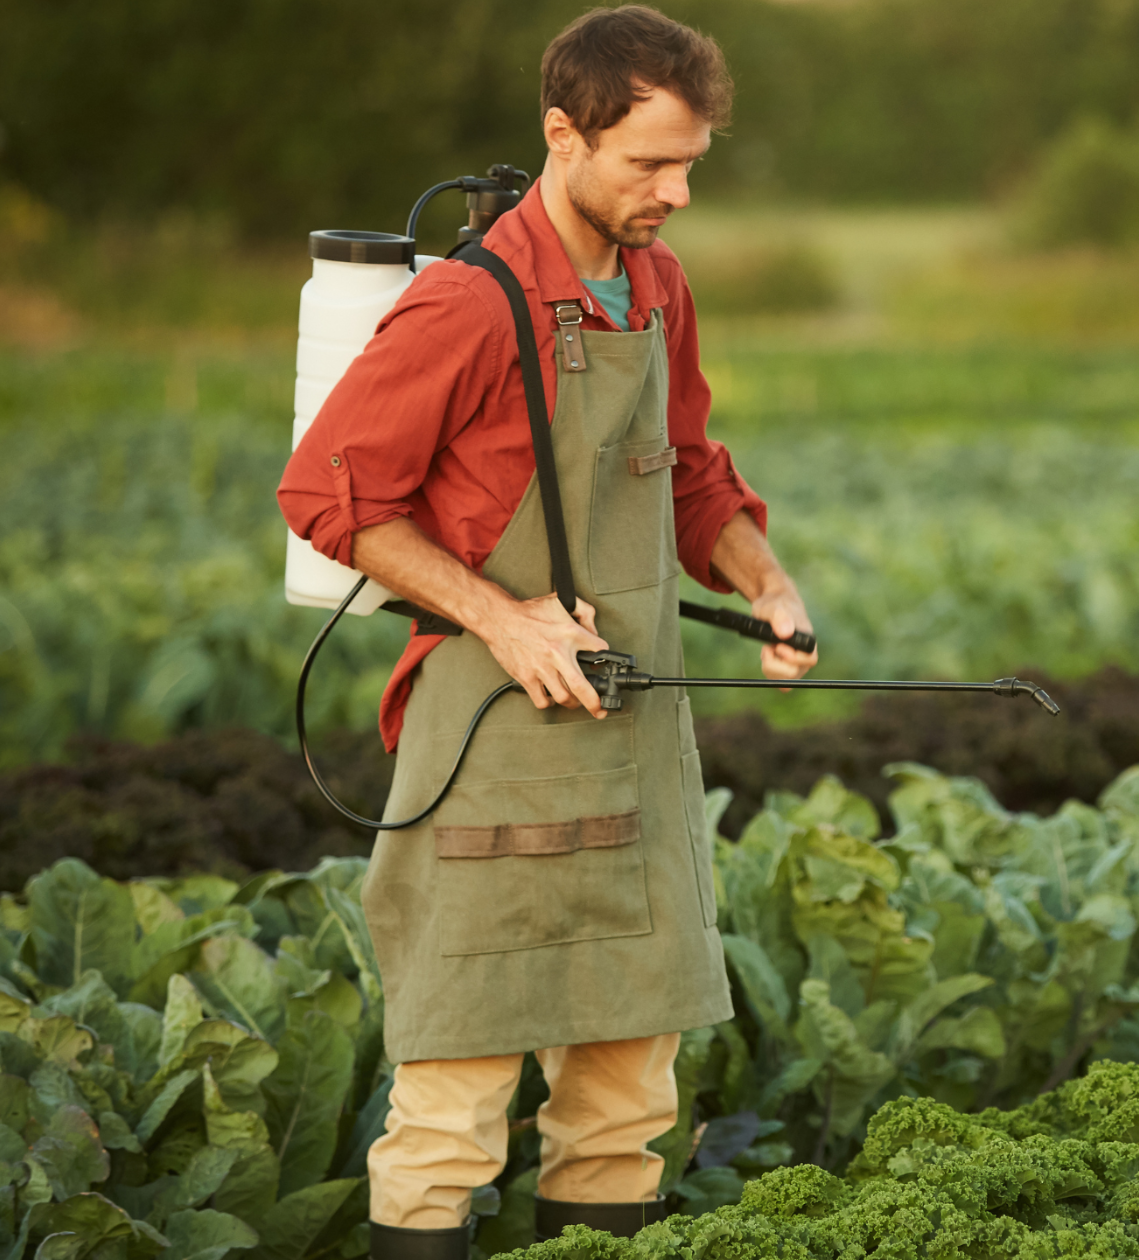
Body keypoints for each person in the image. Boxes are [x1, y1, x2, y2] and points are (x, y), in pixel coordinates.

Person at [276, 8, 815, 1258]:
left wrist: (769, 586)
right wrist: (501, 617)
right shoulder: (468, 306)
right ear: (562, 135)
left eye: (691, 164)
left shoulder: (656, 285)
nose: (676, 193)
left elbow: (690, 473)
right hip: (490, 750)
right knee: (451, 1115)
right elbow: (329, 495)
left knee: (625, 1111)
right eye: (649, 163)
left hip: (633, 747)